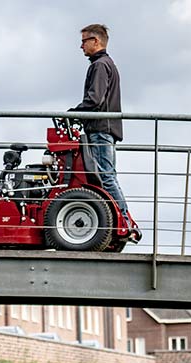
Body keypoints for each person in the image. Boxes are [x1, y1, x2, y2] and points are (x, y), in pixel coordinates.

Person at [69, 23, 140, 241]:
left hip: (100, 129)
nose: (81, 46)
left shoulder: (99, 65)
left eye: (84, 41)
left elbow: (95, 99)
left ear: (96, 41)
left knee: (106, 177)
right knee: (107, 176)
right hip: (105, 128)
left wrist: (72, 113)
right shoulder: (108, 64)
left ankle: (125, 223)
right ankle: (121, 222)